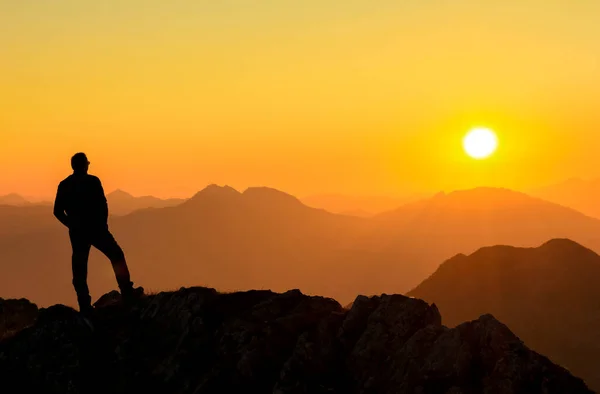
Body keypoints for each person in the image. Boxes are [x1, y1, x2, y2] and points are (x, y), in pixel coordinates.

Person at [54, 153, 142, 314]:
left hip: (78, 233)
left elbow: (57, 211)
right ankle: (127, 292)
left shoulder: (64, 184)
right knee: (116, 255)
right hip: (96, 229)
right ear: (85, 165)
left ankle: (84, 305)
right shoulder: (93, 181)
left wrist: (71, 225)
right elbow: (103, 205)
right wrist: (103, 225)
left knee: (80, 268)